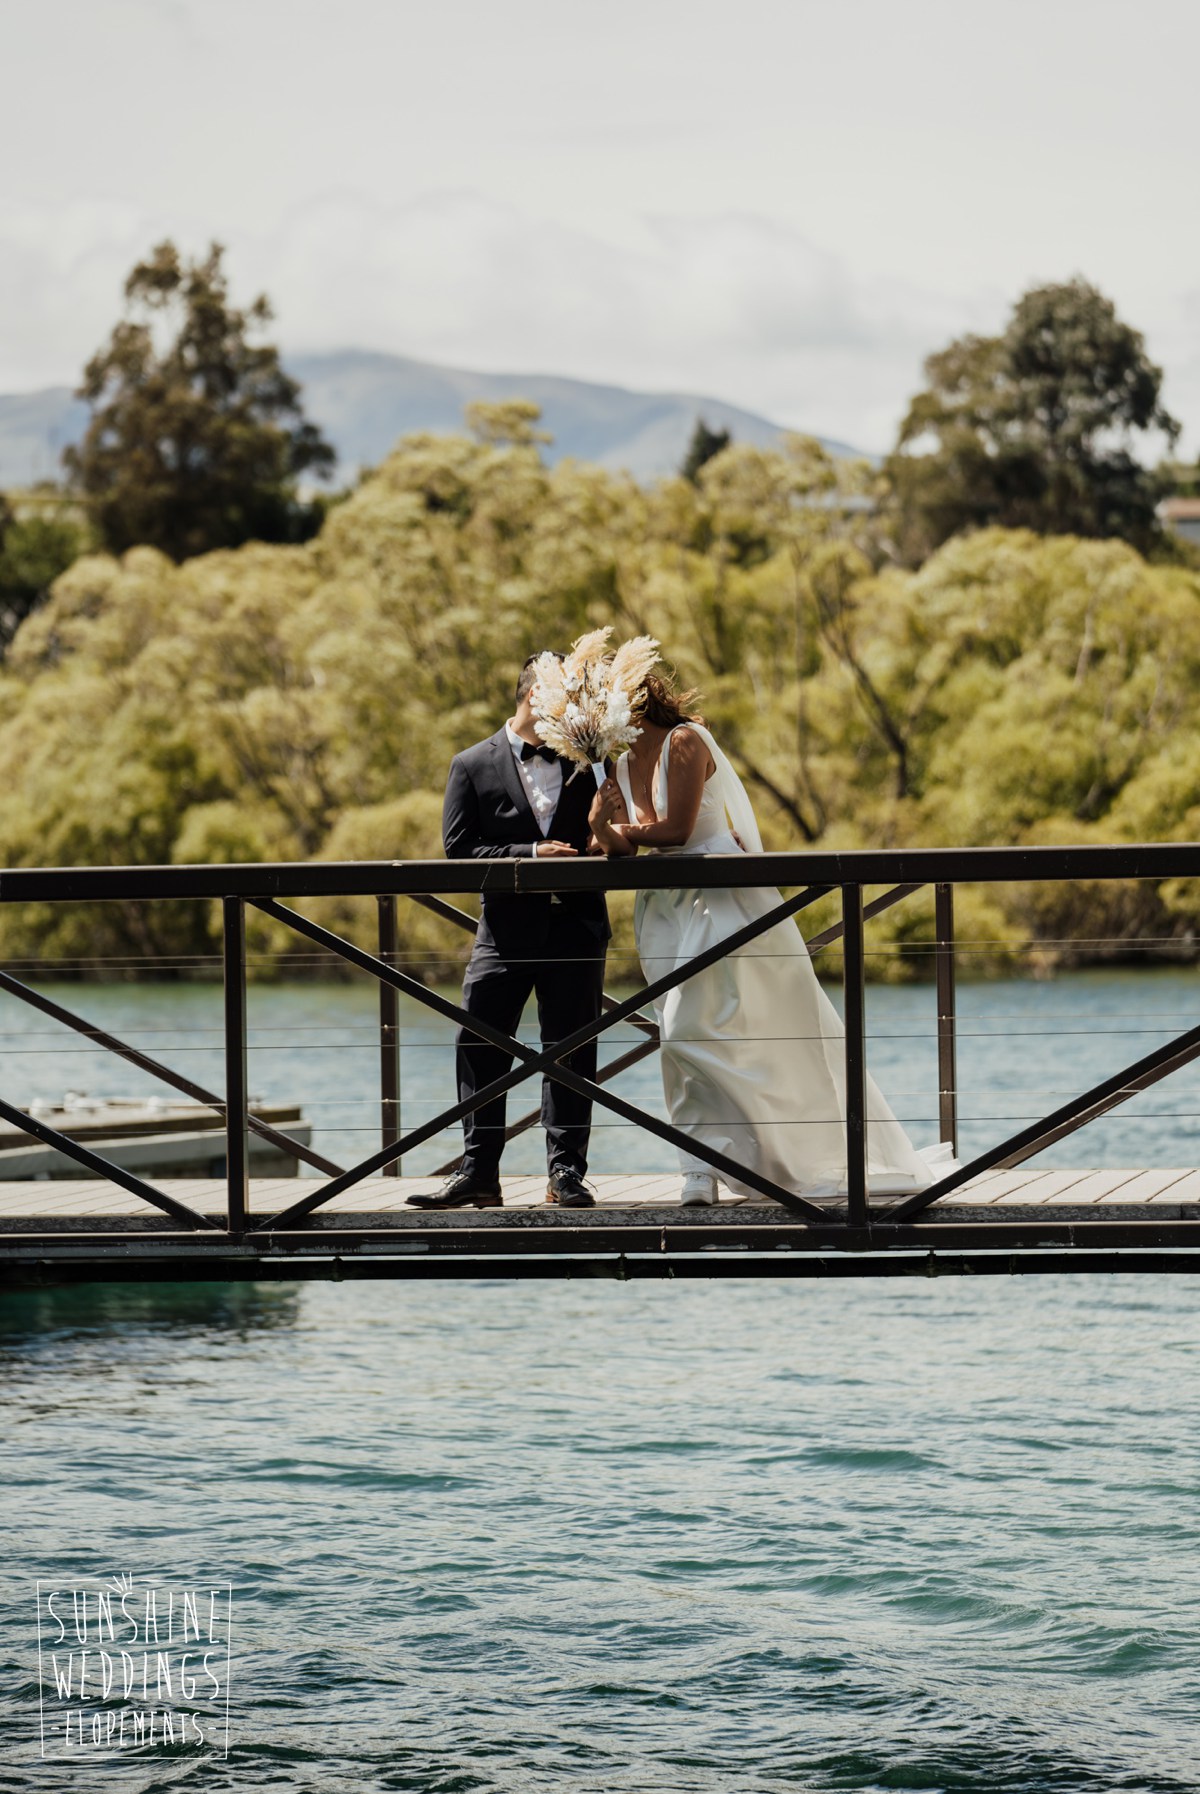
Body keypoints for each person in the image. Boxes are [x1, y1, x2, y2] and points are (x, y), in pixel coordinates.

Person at [588, 670, 946, 1206]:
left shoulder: (684, 741)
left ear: (631, 703)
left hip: (720, 896)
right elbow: (630, 853)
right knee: (678, 1032)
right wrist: (599, 831)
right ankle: (709, 1166)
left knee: (697, 1030)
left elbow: (679, 830)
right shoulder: (619, 759)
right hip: (664, 911)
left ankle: (726, 1163)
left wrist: (616, 830)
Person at [408, 654, 609, 1210]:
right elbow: (458, 850)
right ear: (532, 701)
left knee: (571, 1050)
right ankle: (478, 1173)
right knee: (478, 1043)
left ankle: (565, 1174)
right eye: (564, 705)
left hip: (576, 928)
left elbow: (609, 841)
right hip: (502, 932)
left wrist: (601, 834)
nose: (575, 716)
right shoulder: (471, 764)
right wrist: (531, 854)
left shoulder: (589, 759)